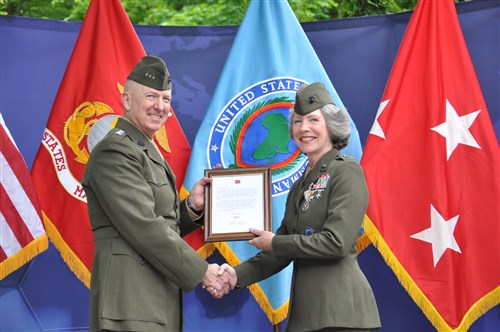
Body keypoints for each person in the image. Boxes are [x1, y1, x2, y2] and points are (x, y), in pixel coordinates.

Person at [82, 55, 232, 332]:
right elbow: (143, 226)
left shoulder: (146, 150)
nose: (160, 106)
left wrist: (193, 207)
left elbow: (162, 222)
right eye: (151, 96)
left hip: (154, 302)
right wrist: (203, 271)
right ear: (127, 101)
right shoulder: (115, 151)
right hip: (129, 305)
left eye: (166, 99)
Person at [218, 82, 381, 331]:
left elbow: (335, 243)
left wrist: (275, 242)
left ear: (331, 126)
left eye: (313, 120)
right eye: (297, 121)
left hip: (341, 316)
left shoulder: (346, 171)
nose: (304, 128)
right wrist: (235, 275)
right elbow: (281, 248)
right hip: (307, 318)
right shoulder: (301, 184)